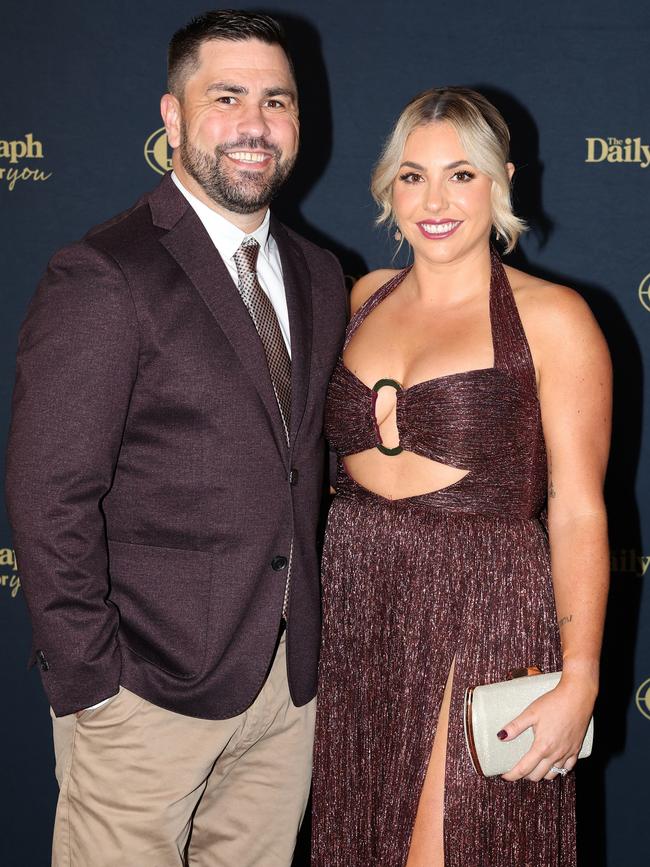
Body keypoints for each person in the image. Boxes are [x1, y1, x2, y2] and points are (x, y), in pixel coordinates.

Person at [5, 10, 347, 867]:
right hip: (144, 696)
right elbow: (49, 494)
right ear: (173, 117)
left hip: (285, 692)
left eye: (277, 101)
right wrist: (94, 685)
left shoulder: (320, 274)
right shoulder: (107, 272)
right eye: (226, 97)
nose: (255, 124)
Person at [311, 87, 611, 867]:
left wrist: (580, 679)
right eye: (412, 176)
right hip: (359, 600)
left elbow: (578, 509)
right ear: (388, 186)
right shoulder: (362, 297)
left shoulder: (554, 318)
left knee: (451, 842)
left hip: (482, 607)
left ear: (501, 180)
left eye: (461, 175)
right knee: (358, 838)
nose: (434, 200)